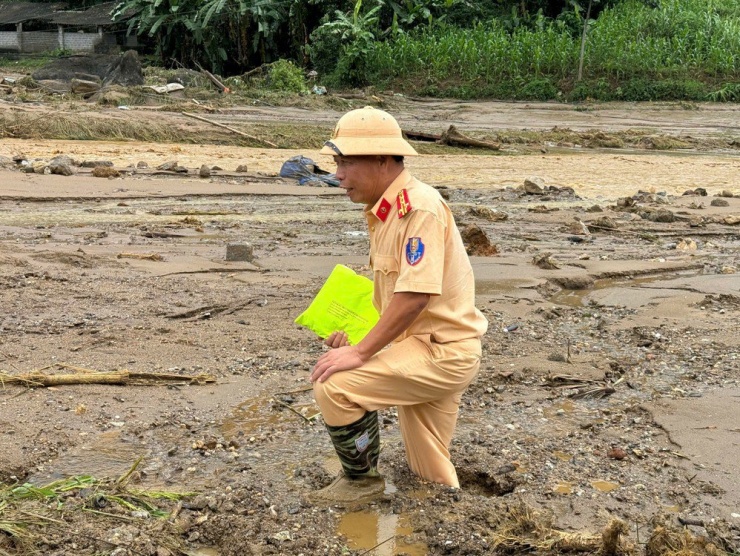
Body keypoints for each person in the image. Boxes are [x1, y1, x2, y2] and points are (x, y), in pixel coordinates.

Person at [310, 106, 488, 501]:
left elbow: (415, 296)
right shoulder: (385, 211)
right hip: (423, 347)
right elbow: (394, 296)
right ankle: (449, 521)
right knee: (429, 472)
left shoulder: (418, 208)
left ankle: (362, 484)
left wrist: (362, 352)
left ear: (381, 159)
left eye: (345, 161)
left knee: (335, 386)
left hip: (441, 351)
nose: (337, 174)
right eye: (336, 162)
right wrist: (355, 337)